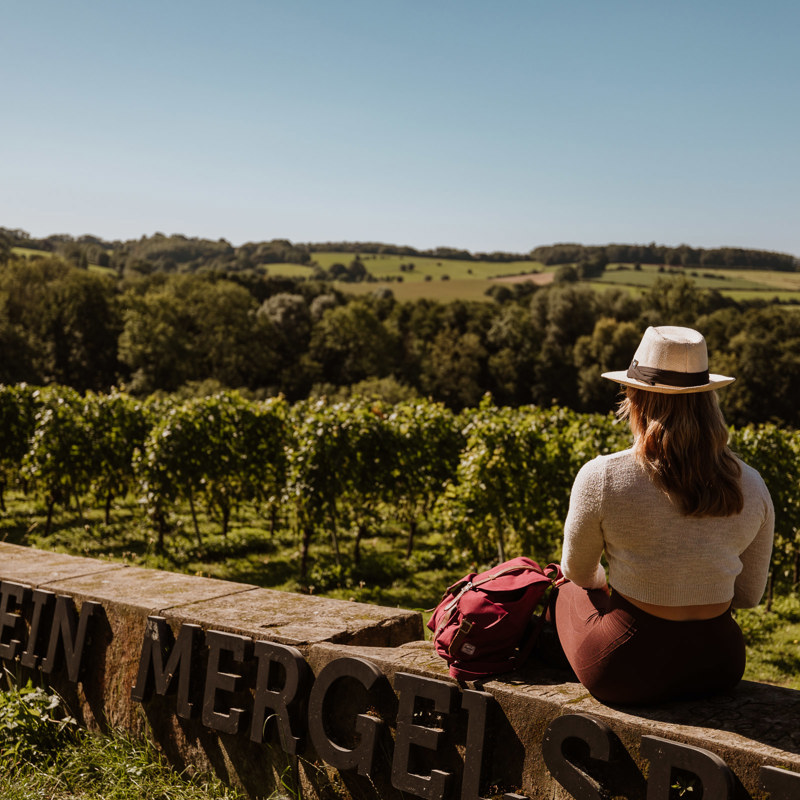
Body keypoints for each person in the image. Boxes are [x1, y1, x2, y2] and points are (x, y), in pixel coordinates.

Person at [552, 325, 774, 705]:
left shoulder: (602, 476)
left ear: (635, 399)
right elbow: (749, 596)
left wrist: (606, 584)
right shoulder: (753, 485)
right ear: (709, 401)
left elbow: (577, 571)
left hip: (627, 669)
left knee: (563, 587)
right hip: (719, 665)